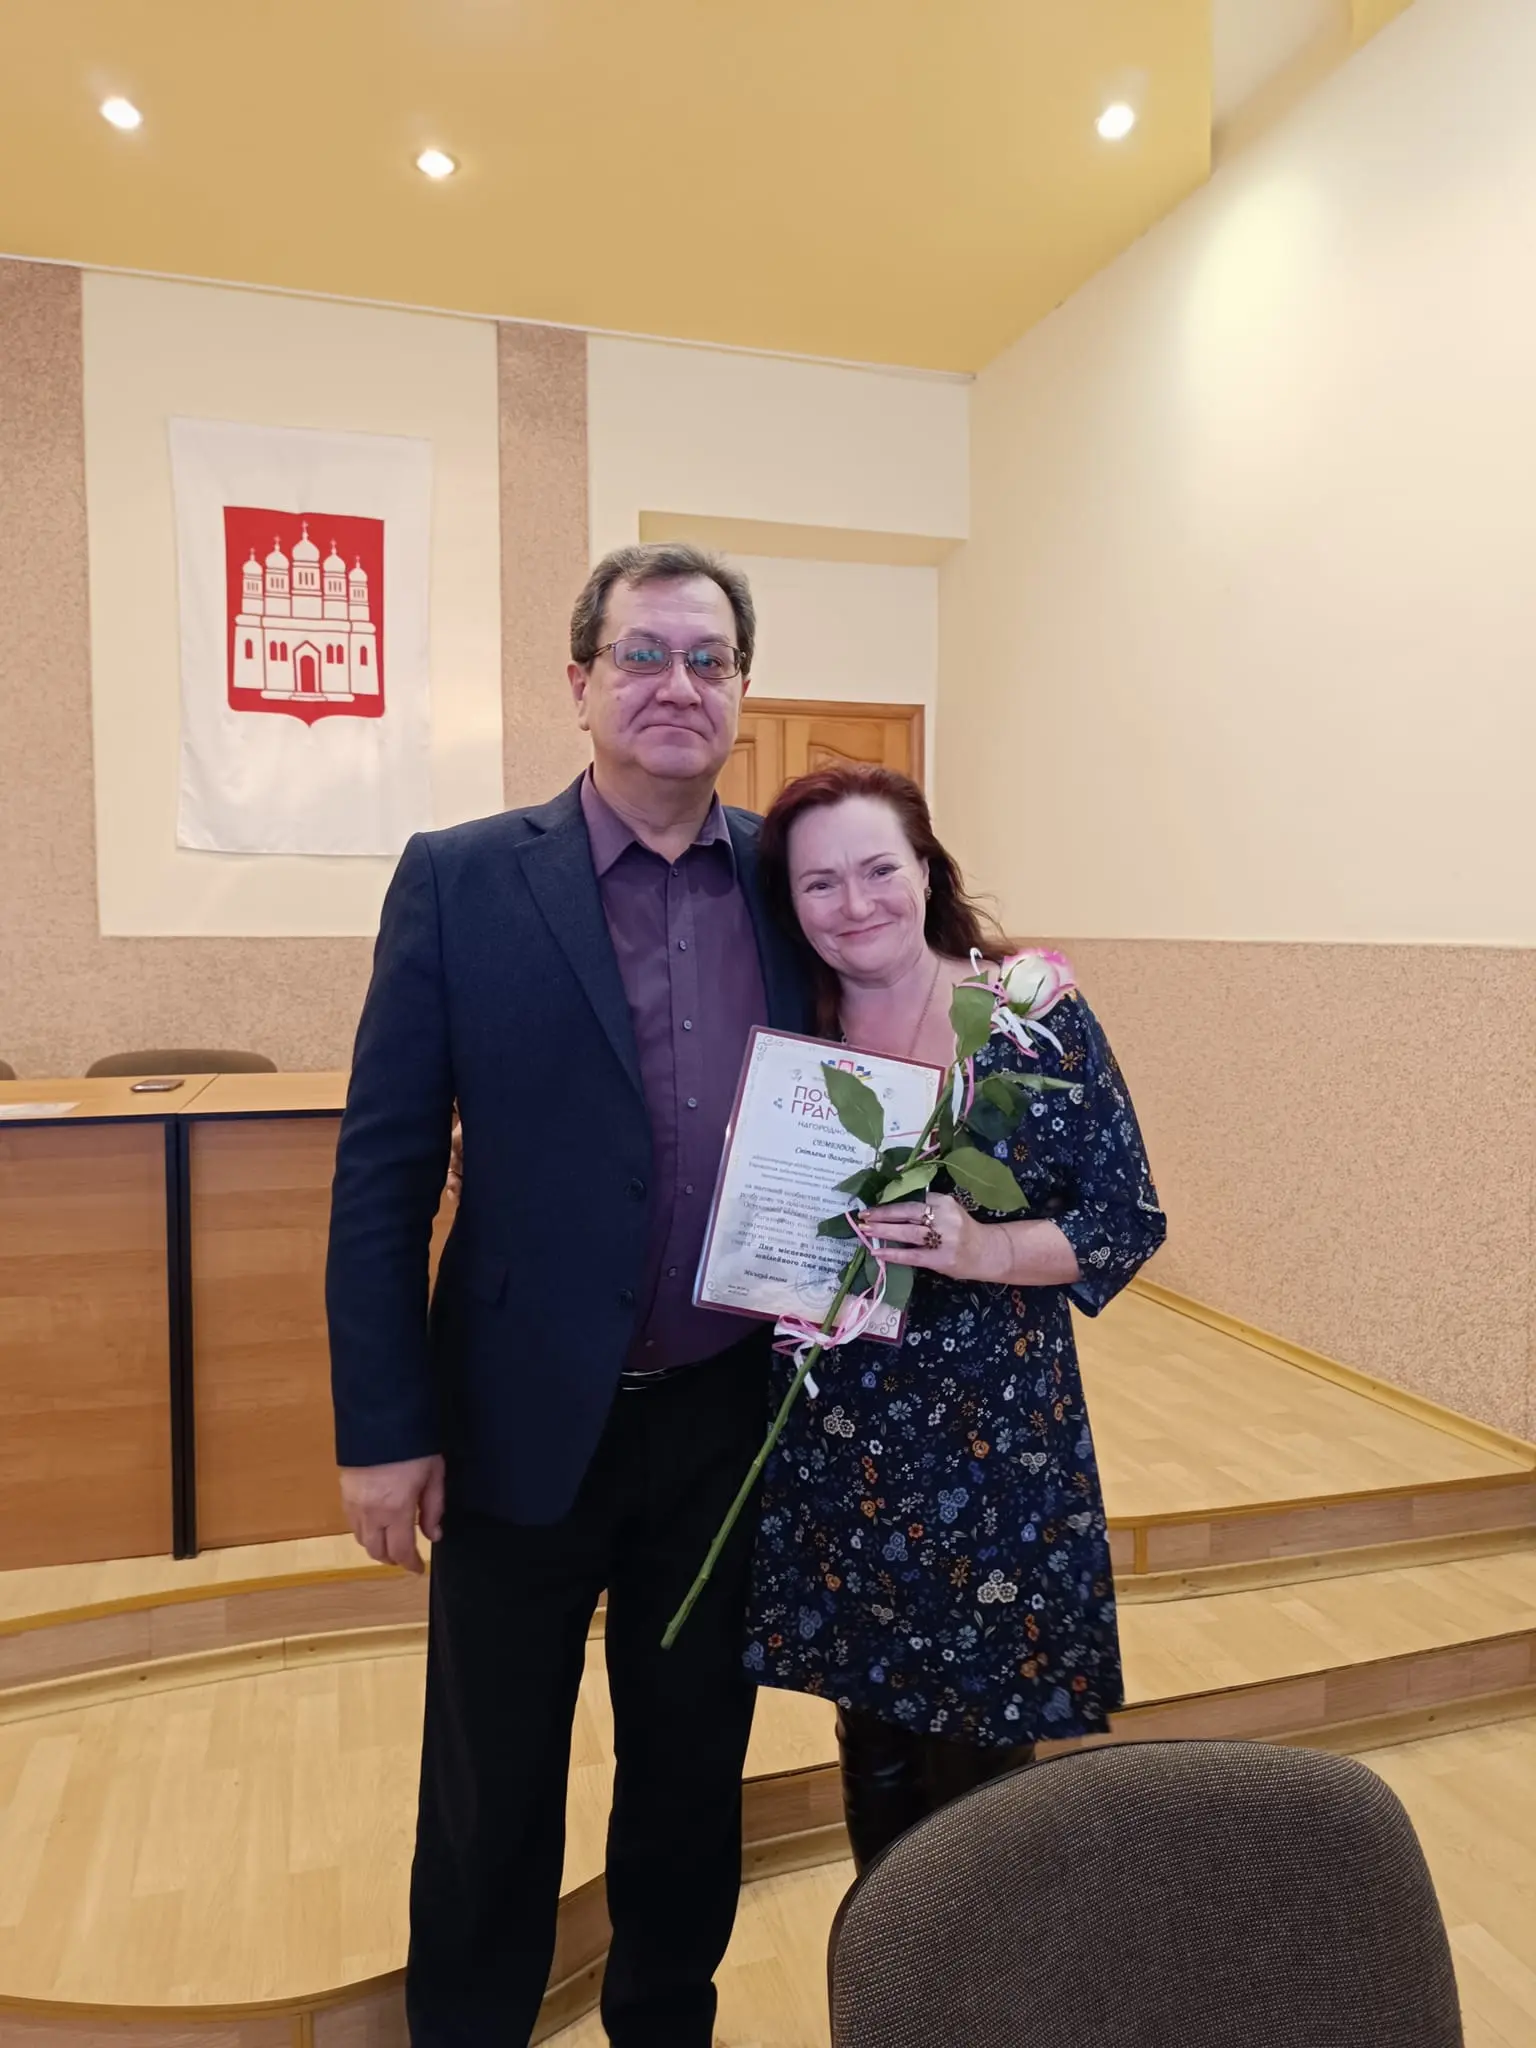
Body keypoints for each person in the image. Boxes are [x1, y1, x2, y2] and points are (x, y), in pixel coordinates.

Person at [325, 543, 810, 2048]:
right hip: (513, 1418)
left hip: (725, 1423)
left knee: (689, 1776)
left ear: (740, 690)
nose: (677, 684)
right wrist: (383, 1427)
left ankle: (666, 2024)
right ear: (581, 680)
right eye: (644, 654)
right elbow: (382, 1172)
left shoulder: (791, 885)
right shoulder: (463, 878)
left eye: (709, 660)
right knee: (491, 1792)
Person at [742, 763, 1165, 1870]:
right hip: (841, 1436)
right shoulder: (790, 1027)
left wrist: (986, 1249)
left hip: (995, 1441)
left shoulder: (1029, 1018)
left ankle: (980, 1959)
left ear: (927, 871)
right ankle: (888, 1957)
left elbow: (1124, 1219)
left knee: (985, 1750)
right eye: (819, 883)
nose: (855, 903)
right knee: (873, 1737)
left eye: (879, 868)